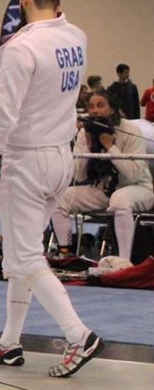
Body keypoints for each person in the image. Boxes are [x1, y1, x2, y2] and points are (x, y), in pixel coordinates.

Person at [0, 0, 103, 378]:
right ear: (58, 1)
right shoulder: (76, 36)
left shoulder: (21, 49)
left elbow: (2, 120)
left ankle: (78, 335)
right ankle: (9, 343)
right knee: (22, 255)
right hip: (60, 159)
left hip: (28, 161)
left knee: (25, 256)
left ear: (23, 0)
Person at [49, 90, 153, 262]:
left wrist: (110, 147)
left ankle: (124, 261)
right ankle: (65, 252)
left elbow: (134, 175)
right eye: (91, 106)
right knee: (59, 198)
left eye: (100, 105)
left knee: (120, 200)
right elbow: (79, 176)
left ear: (112, 109)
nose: (95, 110)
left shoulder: (131, 129)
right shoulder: (85, 132)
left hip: (138, 188)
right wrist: (89, 146)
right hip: (103, 190)